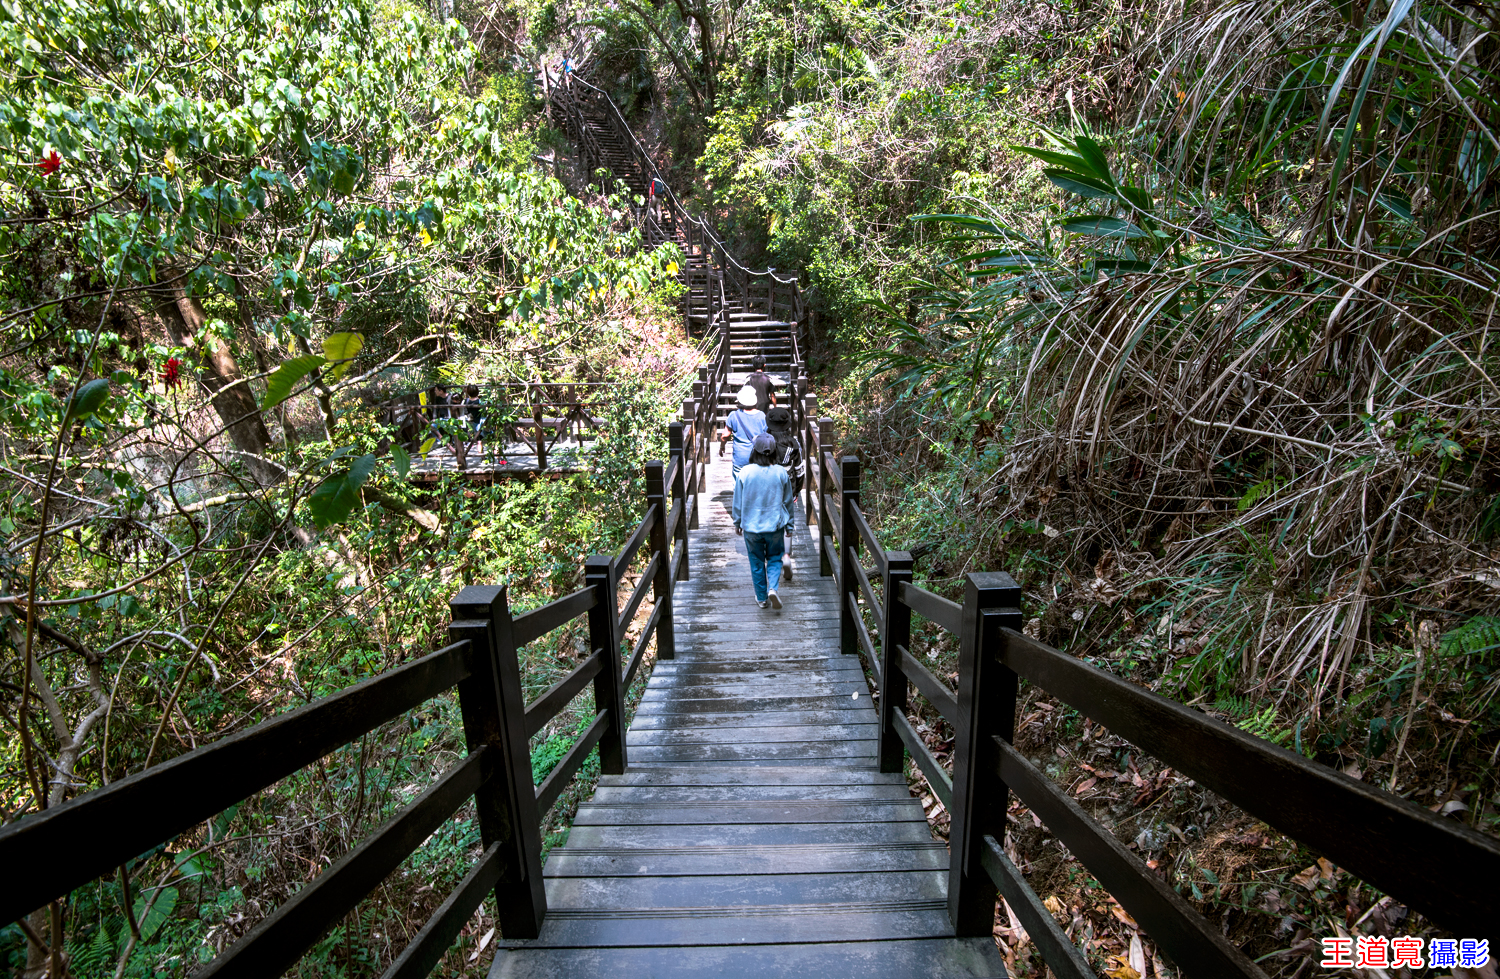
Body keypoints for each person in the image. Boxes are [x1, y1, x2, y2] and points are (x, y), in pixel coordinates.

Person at [733, 433, 794, 609]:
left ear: (754, 451)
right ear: (774, 452)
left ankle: (761, 598)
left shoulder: (745, 472)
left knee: (756, 561)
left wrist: (738, 522)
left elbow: (737, 501)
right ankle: (772, 588)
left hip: (751, 528)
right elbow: (788, 502)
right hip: (775, 526)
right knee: (775, 558)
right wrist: (789, 525)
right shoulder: (781, 473)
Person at [765, 406, 804, 582]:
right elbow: (800, 470)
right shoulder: (793, 443)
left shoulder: (764, 441)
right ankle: (787, 555)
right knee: (787, 518)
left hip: (768, 485)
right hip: (788, 484)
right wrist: (797, 490)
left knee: (770, 517)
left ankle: (774, 552)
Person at [719, 385, 767, 477]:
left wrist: (722, 447)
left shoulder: (734, 415)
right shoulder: (762, 416)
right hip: (757, 456)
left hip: (740, 456)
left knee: (738, 486)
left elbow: (725, 435)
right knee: (755, 485)